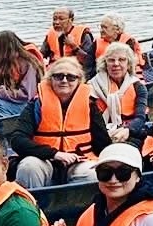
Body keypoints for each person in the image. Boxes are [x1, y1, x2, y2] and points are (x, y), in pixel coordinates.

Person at [9, 58, 104, 189]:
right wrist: (55, 154)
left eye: (71, 77)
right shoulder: (36, 105)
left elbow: (103, 143)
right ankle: (33, 206)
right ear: (50, 79)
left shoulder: (90, 105)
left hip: (79, 162)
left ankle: (79, 207)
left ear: (79, 81)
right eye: (58, 76)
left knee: (94, 173)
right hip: (44, 159)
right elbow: (17, 140)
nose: (64, 80)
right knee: (28, 167)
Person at [90, 41, 149, 148]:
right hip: (101, 134)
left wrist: (127, 130)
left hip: (130, 131)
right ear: (105, 63)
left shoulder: (138, 87)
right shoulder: (91, 87)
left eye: (121, 60)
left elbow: (140, 118)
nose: (116, 64)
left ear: (129, 63)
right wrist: (107, 134)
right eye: (111, 60)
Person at [0, 30, 44, 115]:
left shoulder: (29, 64)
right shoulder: (4, 63)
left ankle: (6, 128)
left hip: (29, 105)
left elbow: (25, 95)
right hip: (10, 99)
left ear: (3, 49)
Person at [40, 7, 97, 77]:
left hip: (76, 73)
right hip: (55, 71)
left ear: (71, 20)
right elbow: (40, 55)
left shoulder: (83, 35)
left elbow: (89, 61)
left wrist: (73, 46)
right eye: (54, 19)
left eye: (61, 19)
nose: (56, 22)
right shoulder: (51, 34)